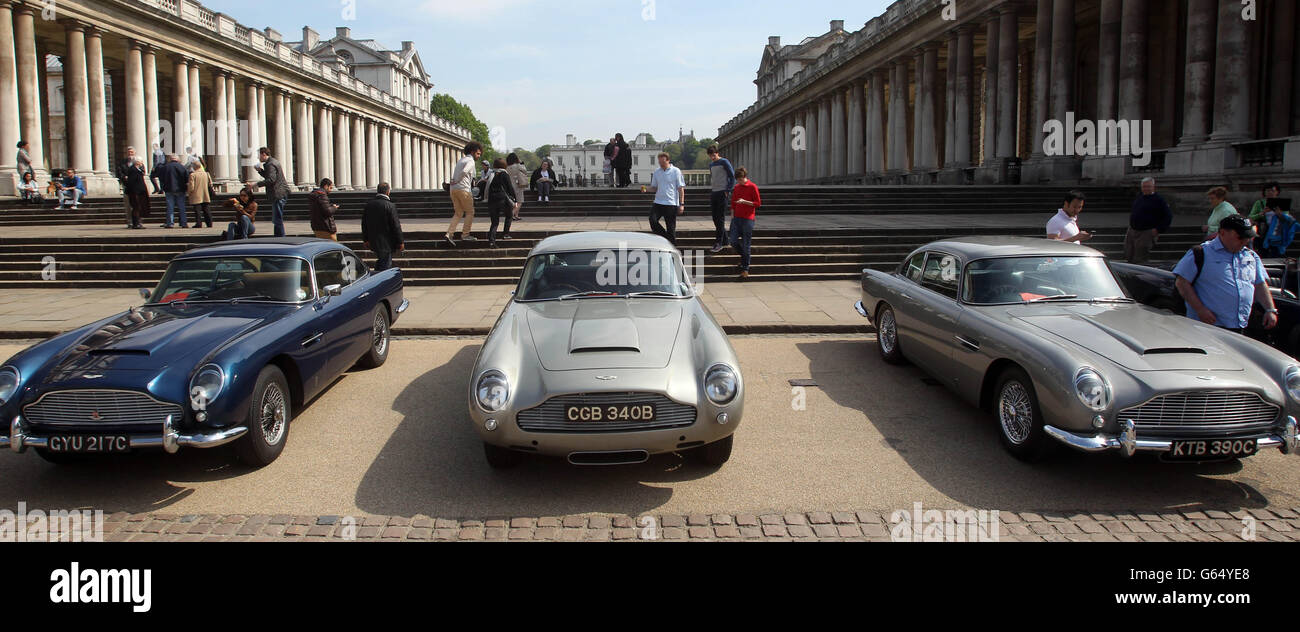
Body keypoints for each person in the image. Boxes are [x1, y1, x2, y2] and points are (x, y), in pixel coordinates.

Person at [1173, 215, 1277, 334]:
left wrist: (1270, 309)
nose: (1245, 241)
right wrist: (1200, 309)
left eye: (1248, 237)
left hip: (1240, 326)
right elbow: (1181, 283)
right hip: (1207, 325)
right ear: (1222, 233)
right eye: (1240, 237)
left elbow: (1260, 284)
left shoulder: (1251, 256)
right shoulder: (1202, 253)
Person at [1125, 177, 1173, 263]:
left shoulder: (1159, 200)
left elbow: (1168, 216)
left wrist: (1158, 229)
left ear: (1153, 187)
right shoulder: (1140, 197)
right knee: (1129, 253)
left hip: (1146, 232)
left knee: (1140, 256)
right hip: (1133, 230)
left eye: (1148, 186)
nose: (1146, 189)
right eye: (1144, 186)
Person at [446, 141, 482, 246]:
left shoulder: (460, 160)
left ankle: (449, 233)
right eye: (478, 153)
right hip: (464, 189)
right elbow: (465, 171)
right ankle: (465, 234)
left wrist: (455, 181)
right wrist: (458, 180)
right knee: (470, 212)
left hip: (453, 189)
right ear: (472, 152)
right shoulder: (470, 161)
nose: (479, 156)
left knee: (458, 213)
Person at [646, 152, 685, 246]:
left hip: (671, 203)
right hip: (658, 202)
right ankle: (666, 238)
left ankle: (672, 246)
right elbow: (654, 188)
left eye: (663, 162)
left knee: (671, 228)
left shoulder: (676, 171)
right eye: (659, 162)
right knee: (652, 220)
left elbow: (680, 188)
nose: (661, 164)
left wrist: (682, 204)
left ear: (668, 160)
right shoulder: (657, 172)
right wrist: (646, 189)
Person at [363, 182, 404, 271]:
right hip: (387, 242)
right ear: (388, 192)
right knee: (385, 265)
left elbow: (364, 224)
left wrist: (366, 239)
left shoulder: (369, 205)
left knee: (381, 261)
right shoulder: (390, 205)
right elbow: (395, 225)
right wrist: (400, 241)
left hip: (373, 240)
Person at [729, 166, 761, 279]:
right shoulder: (737, 187)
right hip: (737, 218)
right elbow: (733, 202)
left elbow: (757, 203)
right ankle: (744, 257)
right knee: (732, 240)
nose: (739, 182)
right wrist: (732, 215)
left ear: (745, 177)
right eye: (737, 180)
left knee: (746, 244)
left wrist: (745, 202)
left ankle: (745, 268)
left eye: (740, 179)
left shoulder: (752, 187)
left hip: (748, 219)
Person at [251, 146, 289, 237]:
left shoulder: (270, 164)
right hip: (280, 192)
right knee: (277, 217)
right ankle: (278, 236)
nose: (258, 157)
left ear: (264, 154)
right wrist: (260, 171)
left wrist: (255, 185)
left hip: (278, 193)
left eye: (258, 155)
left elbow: (271, 180)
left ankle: (280, 237)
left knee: (277, 218)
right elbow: (270, 177)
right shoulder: (272, 162)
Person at [706, 145, 737, 253]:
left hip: (722, 192)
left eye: (713, 155)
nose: (712, 157)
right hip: (714, 192)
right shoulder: (711, 164)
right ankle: (725, 240)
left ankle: (718, 242)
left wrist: (728, 190)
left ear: (717, 153)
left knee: (720, 218)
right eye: (710, 156)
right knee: (715, 218)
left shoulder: (724, 162)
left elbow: (732, 176)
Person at [483, 158, 519, 248]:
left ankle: (491, 241)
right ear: (504, 165)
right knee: (509, 215)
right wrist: (515, 199)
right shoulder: (504, 174)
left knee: (494, 222)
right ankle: (505, 233)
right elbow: (510, 187)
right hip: (503, 199)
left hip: (492, 200)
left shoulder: (491, 174)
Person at [156, 154, 189, 228]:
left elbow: (161, 178)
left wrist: (164, 186)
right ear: (178, 159)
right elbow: (186, 178)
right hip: (180, 189)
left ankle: (170, 223)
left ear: (170, 159)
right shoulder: (182, 167)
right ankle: (184, 223)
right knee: (182, 207)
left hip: (169, 189)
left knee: (170, 207)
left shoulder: (165, 167)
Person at [1248, 182, 1281, 250]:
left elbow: (1286, 217)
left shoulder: (1281, 203)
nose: (1270, 193)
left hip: (1278, 230)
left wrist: (1278, 213)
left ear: (1277, 192)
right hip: (1264, 230)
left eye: (1273, 191)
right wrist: (1262, 213)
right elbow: (1251, 217)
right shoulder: (1259, 203)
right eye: (1268, 191)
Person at [116, 146, 140, 228]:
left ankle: (137, 221)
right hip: (127, 186)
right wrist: (124, 177)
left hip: (136, 187)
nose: (130, 154)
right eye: (129, 152)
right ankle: (130, 221)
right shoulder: (122, 162)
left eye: (132, 152)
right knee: (128, 205)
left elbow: (142, 172)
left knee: (137, 205)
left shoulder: (138, 162)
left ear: (134, 153)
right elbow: (119, 172)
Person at [123, 158, 150, 229]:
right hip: (135, 193)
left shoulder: (137, 169)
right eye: (141, 162)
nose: (142, 163)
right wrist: (135, 191)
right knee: (136, 208)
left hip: (138, 192)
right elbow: (132, 182)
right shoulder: (133, 170)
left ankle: (137, 223)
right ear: (137, 162)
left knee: (137, 208)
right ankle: (136, 223)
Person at [186, 160, 213, 228]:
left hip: (196, 195)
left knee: (197, 211)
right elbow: (210, 184)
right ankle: (209, 223)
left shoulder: (193, 175)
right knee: (206, 210)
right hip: (205, 194)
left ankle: (199, 223)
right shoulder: (206, 174)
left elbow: (191, 186)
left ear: (194, 167)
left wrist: (189, 193)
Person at [505, 152, 529, 221]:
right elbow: (525, 170)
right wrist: (521, 162)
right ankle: (512, 214)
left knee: (514, 201)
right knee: (520, 201)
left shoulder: (507, 167)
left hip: (510, 185)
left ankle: (516, 215)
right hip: (518, 185)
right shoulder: (518, 166)